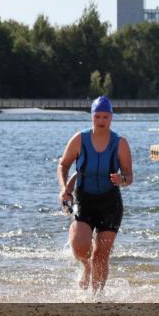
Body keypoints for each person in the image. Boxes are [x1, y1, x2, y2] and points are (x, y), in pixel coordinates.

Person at [57, 96, 133, 295]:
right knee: (79, 247)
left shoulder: (120, 143)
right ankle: (86, 266)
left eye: (105, 117)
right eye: (97, 116)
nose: (101, 121)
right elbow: (63, 165)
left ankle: (96, 297)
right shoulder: (80, 139)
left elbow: (129, 175)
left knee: (102, 255)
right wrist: (64, 187)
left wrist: (122, 180)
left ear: (111, 118)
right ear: (91, 117)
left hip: (110, 204)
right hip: (84, 199)